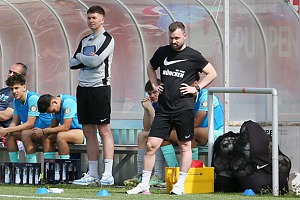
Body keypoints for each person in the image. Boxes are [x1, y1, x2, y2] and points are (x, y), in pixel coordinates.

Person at [127, 21, 217, 195]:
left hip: (184, 108)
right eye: (171, 38)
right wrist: (154, 83)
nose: (174, 41)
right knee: (152, 144)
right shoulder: (162, 52)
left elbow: (212, 73)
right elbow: (150, 67)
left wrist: (196, 88)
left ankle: (180, 185)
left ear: (184, 36)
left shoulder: (193, 56)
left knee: (185, 147)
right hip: (164, 108)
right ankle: (144, 184)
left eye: (177, 38)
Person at [69, 5, 115, 186]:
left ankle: (108, 174)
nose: (91, 21)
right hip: (83, 88)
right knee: (88, 131)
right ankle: (93, 173)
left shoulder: (107, 39)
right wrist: (83, 56)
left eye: (94, 18)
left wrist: (82, 58)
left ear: (102, 19)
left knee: (104, 130)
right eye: (89, 18)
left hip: (99, 89)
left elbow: (96, 61)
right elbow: (72, 63)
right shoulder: (85, 40)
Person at [161, 86, 224, 167]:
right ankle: (174, 169)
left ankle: (194, 169)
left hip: (217, 133)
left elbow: (196, 121)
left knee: (189, 133)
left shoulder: (205, 95)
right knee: (163, 136)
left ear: (195, 83)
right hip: (196, 133)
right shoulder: (181, 98)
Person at [0, 73, 52, 163]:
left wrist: (6, 130)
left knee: (25, 134)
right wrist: (6, 132)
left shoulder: (33, 98)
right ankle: (14, 168)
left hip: (45, 131)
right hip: (33, 131)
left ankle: (33, 169)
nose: (14, 91)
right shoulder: (16, 101)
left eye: (16, 88)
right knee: (10, 136)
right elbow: (14, 122)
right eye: (12, 89)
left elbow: (29, 124)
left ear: (24, 87)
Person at [123, 79, 165, 187]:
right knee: (142, 135)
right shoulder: (153, 103)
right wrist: (146, 110)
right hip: (161, 133)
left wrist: (150, 108)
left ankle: (158, 175)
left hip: (172, 134)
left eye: (154, 92)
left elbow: (160, 125)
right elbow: (147, 127)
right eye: (149, 93)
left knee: (155, 136)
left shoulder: (166, 102)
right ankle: (140, 173)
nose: (151, 95)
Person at [33, 94, 84, 160]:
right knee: (46, 137)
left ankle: (65, 166)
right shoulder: (56, 106)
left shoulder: (68, 102)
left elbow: (66, 127)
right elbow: (53, 125)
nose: (53, 113)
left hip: (85, 132)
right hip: (71, 132)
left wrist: (43, 131)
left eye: (53, 111)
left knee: (61, 136)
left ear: (54, 102)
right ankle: (49, 166)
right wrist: (40, 131)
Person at [0, 63, 28, 146]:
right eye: (10, 71)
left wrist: (7, 131)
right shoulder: (2, 91)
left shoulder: (18, 95)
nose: (10, 74)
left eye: (14, 73)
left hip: (5, 129)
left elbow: (5, 115)